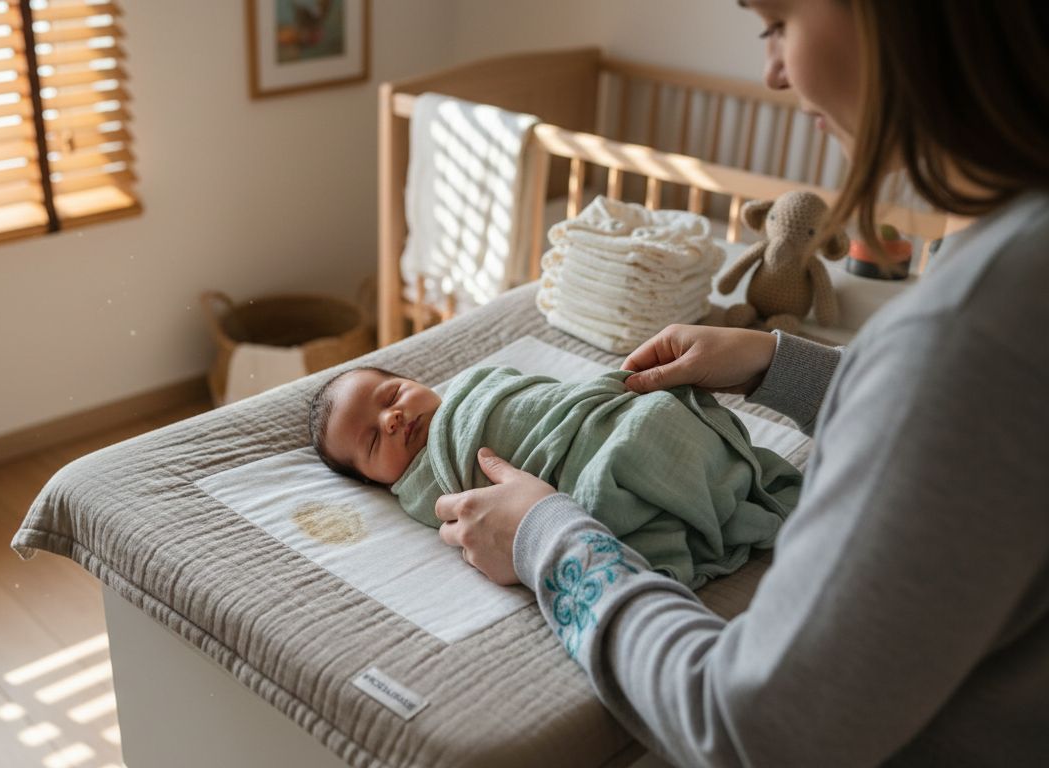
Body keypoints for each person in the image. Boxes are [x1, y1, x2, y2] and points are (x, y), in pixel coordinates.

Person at [433, 0, 1049, 764]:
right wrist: (773, 360)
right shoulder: (1011, 261)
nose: (774, 72)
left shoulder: (968, 330)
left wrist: (545, 537)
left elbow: (748, 727)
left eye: (777, 21)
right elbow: (976, 441)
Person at [308, 365, 801, 588]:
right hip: (588, 461)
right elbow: (476, 516)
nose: (392, 418)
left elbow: (553, 396)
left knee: (653, 416)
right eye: (372, 441)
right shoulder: (421, 488)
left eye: (392, 394)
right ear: (375, 483)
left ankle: (706, 466)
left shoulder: (473, 386)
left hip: (598, 418)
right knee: (630, 453)